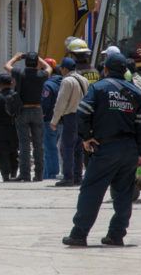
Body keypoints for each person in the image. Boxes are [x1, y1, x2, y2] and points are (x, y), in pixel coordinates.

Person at [62, 53, 141, 246]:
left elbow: (82, 112)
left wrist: (86, 136)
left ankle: (79, 234)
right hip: (129, 149)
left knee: (91, 191)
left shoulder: (98, 88)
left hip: (105, 148)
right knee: (124, 194)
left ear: (105, 69)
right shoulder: (136, 93)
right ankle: (116, 235)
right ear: (125, 71)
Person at [5, 52, 51, 181]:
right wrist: (40, 58)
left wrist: (16, 57)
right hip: (37, 110)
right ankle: (39, 175)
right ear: (37, 63)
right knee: (38, 145)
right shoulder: (41, 75)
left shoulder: (20, 73)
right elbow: (49, 68)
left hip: (23, 111)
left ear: (25, 63)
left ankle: (25, 174)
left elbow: (6, 66)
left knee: (24, 144)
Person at [50, 57, 88, 186]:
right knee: (78, 148)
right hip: (82, 117)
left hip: (70, 117)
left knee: (67, 147)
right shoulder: (83, 80)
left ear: (65, 69)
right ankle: (78, 176)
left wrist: (54, 120)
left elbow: (61, 102)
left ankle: (68, 177)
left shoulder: (67, 81)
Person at [42, 58, 62, 179]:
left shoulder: (48, 84)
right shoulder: (63, 82)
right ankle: (46, 173)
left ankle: (51, 174)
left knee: (50, 149)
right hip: (61, 120)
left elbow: (45, 103)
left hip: (49, 121)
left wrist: (42, 115)